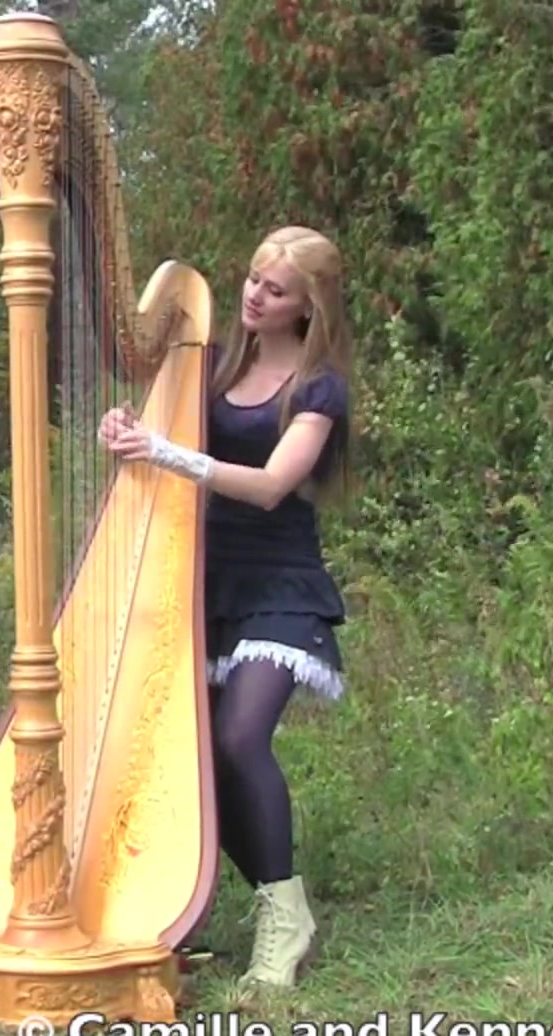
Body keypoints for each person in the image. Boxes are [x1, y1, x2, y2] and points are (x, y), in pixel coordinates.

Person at [97, 225, 355, 990]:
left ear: (306, 308)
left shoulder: (319, 389)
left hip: (280, 585)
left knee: (241, 740)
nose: (254, 295)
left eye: (275, 290)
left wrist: (167, 453)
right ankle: (244, 900)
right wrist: (125, 431)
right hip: (203, 583)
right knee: (197, 757)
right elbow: (151, 440)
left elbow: (274, 484)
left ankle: (283, 913)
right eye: (252, 279)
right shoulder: (205, 370)